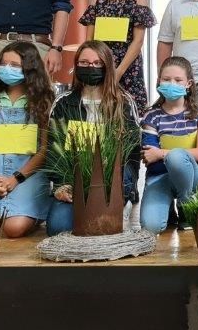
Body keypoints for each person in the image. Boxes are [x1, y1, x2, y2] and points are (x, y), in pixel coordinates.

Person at [46, 41, 142, 235]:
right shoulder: (63, 103)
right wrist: (60, 186)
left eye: (97, 63)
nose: (91, 67)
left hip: (112, 183)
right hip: (73, 183)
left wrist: (123, 190)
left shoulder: (123, 102)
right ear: (76, 65)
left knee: (106, 227)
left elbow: (132, 153)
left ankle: (124, 206)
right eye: (84, 62)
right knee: (58, 227)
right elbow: (54, 150)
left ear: (107, 67)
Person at [0, 41, 55, 237]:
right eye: (3, 64)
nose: (7, 69)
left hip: (28, 176)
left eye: (14, 65)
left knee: (13, 228)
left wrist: (15, 179)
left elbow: (44, 151)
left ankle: (36, 213)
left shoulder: (43, 104)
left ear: (29, 68)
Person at [138, 57, 198, 233]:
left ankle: (186, 206)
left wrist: (161, 153)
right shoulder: (150, 116)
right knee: (151, 226)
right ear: (159, 81)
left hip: (191, 177)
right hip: (159, 176)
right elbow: (149, 156)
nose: (172, 84)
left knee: (176, 157)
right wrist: (159, 155)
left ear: (188, 84)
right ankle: (168, 208)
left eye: (178, 80)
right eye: (166, 79)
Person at [78, 0, 156, 110]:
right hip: (99, 64)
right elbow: (89, 41)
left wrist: (118, 72)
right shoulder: (97, 1)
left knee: (128, 110)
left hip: (128, 66)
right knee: (97, 109)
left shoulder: (139, 1)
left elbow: (138, 41)